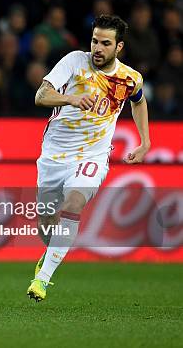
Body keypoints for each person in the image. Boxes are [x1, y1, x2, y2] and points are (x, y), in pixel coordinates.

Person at [29, 15, 150, 302]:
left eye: (105, 43)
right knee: (46, 224)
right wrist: (70, 99)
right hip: (53, 156)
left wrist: (145, 142)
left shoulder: (129, 78)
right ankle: (50, 252)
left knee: (74, 204)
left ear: (118, 46)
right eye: (95, 40)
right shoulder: (74, 61)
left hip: (92, 155)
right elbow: (41, 96)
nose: (97, 47)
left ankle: (42, 280)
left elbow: (139, 101)